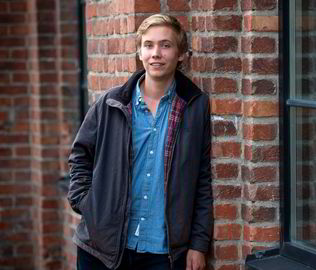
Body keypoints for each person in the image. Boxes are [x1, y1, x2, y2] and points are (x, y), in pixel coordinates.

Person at [68, 14, 213, 270]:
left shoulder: (194, 106)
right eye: (149, 45)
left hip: (163, 253)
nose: (156, 53)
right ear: (139, 52)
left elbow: (201, 178)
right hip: (103, 248)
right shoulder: (110, 104)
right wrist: (89, 204)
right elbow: (80, 156)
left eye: (165, 45)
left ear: (180, 54)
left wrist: (198, 244)